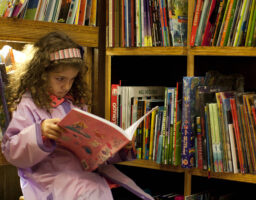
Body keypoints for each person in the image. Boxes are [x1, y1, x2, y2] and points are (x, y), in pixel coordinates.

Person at [1, 31, 154, 200]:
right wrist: (40, 132)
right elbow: (12, 150)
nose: (66, 86)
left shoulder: (75, 102)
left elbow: (93, 150)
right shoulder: (27, 104)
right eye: (60, 79)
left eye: (72, 79)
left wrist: (119, 147)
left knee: (103, 188)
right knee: (88, 190)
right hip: (47, 177)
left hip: (81, 173)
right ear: (41, 74)